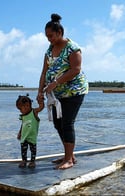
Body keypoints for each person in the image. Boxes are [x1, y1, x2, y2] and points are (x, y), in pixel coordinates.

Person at [37, 13, 88, 169]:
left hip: (74, 91)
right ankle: (69, 155)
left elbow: (76, 70)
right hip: (57, 94)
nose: (49, 39)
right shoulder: (49, 50)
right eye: (47, 37)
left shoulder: (72, 48)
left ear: (59, 33)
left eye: (51, 36)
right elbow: (44, 72)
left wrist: (56, 82)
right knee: (58, 124)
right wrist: (40, 92)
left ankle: (69, 160)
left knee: (67, 123)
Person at [16, 94, 44, 168]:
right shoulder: (23, 116)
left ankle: (32, 161)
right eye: (19, 109)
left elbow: (41, 108)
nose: (21, 111)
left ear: (27, 106)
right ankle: (24, 160)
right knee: (23, 149)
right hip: (24, 136)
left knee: (33, 150)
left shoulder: (34, 112)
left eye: (21, 109)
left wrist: (41, 101)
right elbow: (23, 124)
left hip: (32, 136)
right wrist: (19, 133)